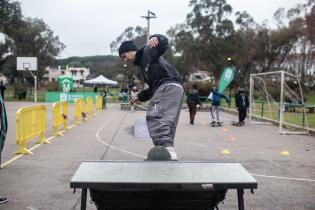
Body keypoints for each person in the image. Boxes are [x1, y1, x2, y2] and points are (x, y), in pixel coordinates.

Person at [119, 34, 183, 160]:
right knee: (167, 120)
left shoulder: (146, 52)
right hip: (175, 88)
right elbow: (153, 88)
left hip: (167, 85)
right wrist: (139, 96)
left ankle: (165, 147)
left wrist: (156, 38)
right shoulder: (144, 66)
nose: (125, 60)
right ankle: (169, 150)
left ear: (129, 51)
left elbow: (162, 44)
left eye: (124, 56)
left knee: (154, 115)